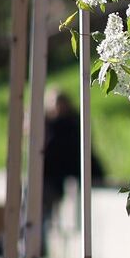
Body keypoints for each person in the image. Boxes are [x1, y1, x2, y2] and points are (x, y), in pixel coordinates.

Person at [39, 89, 103, 230]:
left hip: (72, 169)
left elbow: (69, 150)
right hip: (54, 175)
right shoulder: (48, 124)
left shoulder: (73, 123)